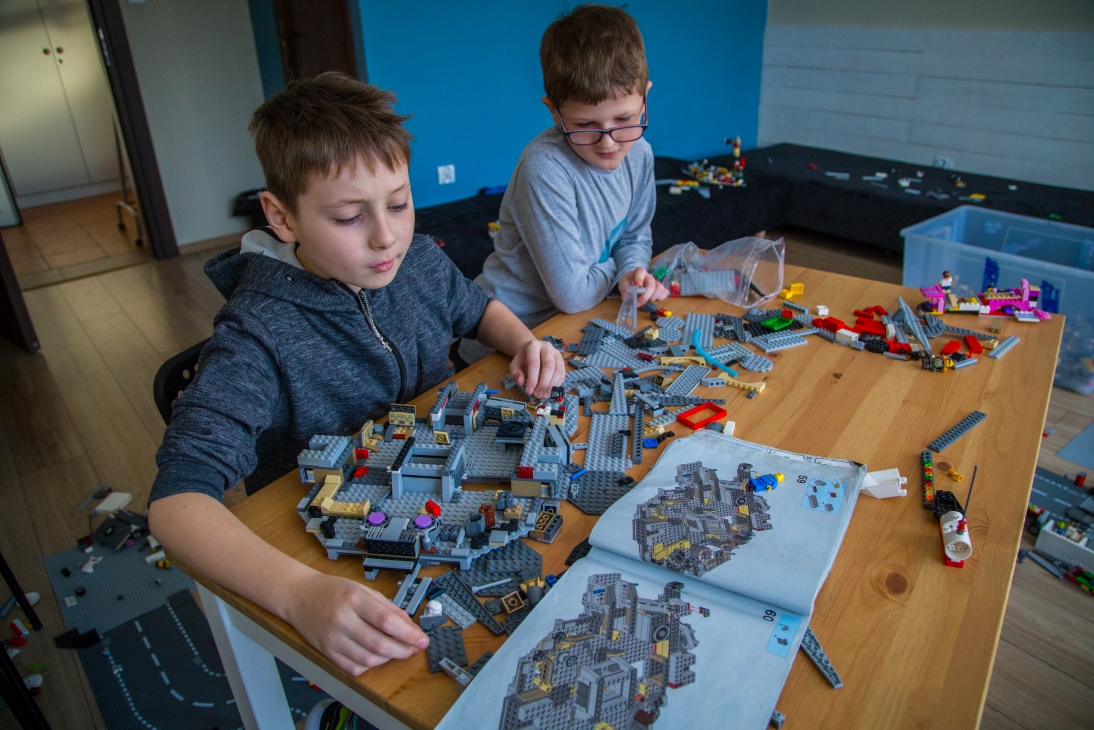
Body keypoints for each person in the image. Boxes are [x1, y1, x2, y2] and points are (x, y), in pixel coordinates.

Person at [147, 73, 565, 676]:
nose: (386, 236)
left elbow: (478, 311)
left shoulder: (416, 261)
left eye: (398, 203)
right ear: (282, 217)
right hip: (337, 551)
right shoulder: (255, 336)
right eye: (348, 217)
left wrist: (524, 342)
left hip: (446, 494)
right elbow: (175, 504)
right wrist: (298, 593)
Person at [458, 3, 668, 366]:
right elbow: (572, 295)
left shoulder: (640, 154)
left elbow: (635, 236)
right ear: (554, 111)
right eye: (585, 124)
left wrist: (631, 270)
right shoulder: (544, 169)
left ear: (645, 97)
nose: (608, 142)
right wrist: (618, 271)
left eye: (624, 119)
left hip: (571, 334)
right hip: (503, 347)